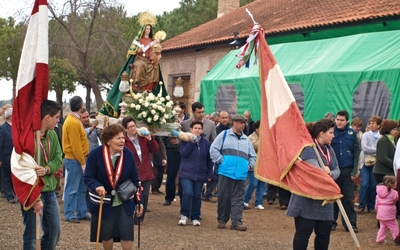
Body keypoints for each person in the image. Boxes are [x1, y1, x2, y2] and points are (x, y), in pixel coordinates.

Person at [83, 124, 143, 250]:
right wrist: (97, 186)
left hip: (125, 200)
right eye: (118, 138)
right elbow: (88, 177)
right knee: (106, 233)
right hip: (104, 200)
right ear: (108, 140)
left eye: (123, 138)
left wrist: (139, 201)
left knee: (127, 234)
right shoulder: (95, 154)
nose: (122, 141)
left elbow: (135, 180)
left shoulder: (128, 154)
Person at [287, 118, 340, 250]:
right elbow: (314, 172)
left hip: (324, 199)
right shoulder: (308, 148)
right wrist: (325, 173)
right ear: (322, 133)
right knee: (303, 233)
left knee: (324, 234)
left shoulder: (329, 149)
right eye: (331, 132)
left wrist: (331, 173)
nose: (333, 135)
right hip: (306, 199)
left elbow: (337, 169)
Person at [210, 114, 257, 231]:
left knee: (239, 199)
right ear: (234, 123)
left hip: (241, 174)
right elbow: (213, 149)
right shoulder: (224, 135)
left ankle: (236, 222)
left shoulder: (246, 140)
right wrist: (221, 161)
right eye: (241, 123)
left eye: (244, 123)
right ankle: (222, 220)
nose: (243, 125)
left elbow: (253, 156)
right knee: (224, 197)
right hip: (226, 172)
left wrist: (250, 165)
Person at [122, 116, 159, 223]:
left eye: (134, 126)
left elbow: (155, 149)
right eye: (130, 127)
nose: (133, 128)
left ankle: (139, 218)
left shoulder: (142, 137)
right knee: (132, 194)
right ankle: (129, 214)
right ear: (125, 129)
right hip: (132, 172)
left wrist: (150, 139)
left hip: (146, 170)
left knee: (145, 194)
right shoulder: (124, 141)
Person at [178, 121, 214, 226]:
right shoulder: (184, 141)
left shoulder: (206, 143)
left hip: (200, 173)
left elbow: (209, 159)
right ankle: (184, 215)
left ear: (202, 130)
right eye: (195, 128)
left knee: (197, 196)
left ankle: (195, 216)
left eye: (199, 128)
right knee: (188, 193)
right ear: (191, 129)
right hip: (186, 172)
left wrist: (209, 173)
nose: (197, 130)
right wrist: (190, 142)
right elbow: (183, 154)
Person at [330, 110, 360, 232]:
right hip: (334, 171)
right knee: (333, 198)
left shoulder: (352, 133)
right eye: (337, 119)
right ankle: (331, 223)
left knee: (348, 199)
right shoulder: (331, 132)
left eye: (342, 120)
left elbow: (357, 153)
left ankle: (350, 224)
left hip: (348, 172)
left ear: (347, 121)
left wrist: (354, 172)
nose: (339, 122)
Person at [181, 102, 217, 203]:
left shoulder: (210, 124)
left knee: (197, 192)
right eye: (198, 112)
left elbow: (213, 141)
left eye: (202, 112)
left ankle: (195, 212)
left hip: (202, 159)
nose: (201, 114)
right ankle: (184, 209)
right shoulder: (184, 124)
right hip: (187, 159)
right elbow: (181, 140)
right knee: (186, 191)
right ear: (192, 112)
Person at [62, 96, 90, 223]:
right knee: (72, 188)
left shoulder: (74, 119)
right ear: (80, 106)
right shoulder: (72, 122)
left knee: (81, 188)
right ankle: (69, 213)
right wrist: (82, 162)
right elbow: (75, 145)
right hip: (75, 159)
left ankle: (81, 211)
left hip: (79, 158)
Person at [357, 116, 381, 213]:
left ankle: (371, 206)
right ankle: (361, 205)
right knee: (364, 184)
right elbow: (364, 148)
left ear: (379, 125)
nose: (371, 125)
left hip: (375, 164)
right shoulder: (366, 135)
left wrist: (370, 149)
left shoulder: (381, 137)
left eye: (373, 123)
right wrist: (376, 150)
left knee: (373, 185)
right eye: (370, 123)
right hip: (365, 163)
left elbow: (380, 151)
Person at [129, 23, 162, 92]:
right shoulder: (140, 40)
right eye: (147, 29)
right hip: (140, 58)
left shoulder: (152, 40)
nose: (148, 30)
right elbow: (136, 51)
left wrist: (157, 44)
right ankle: (136, 84)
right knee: (140, 65)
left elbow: (156, 50)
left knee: (154, 67)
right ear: (143, 30)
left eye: (149, 29)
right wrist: (140, 49)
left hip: (149, 59)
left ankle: (148, 87)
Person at [243, 120, 267, 210]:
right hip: (253, 165)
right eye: (262, 128)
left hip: (263, 164)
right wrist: (264, 138)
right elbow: (256, 146)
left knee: (262, 184)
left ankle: (258, 202)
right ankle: (245, 200)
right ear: (256, 129)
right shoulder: (251, 137)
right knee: (253, 183)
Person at [372, 119, 398, 184]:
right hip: (382, 172)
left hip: (390, 172)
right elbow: (383, 158)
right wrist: (395, 165)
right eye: (394, 129)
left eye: (397, 129)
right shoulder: (383, 141)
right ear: (388, 129)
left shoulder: (395, 140)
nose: (396, 131)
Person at [375, 175, 398, 245]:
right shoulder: (394, 193)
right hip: (389, 213)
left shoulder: (378, 194)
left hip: (380, 213)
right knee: (394, 226)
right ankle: (397, 239)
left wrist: (377, 211)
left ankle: (379, 239)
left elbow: (376, 204)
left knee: (383, 227)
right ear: (393, 184)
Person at [0, 107, 17, 203]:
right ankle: (9, 196)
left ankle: (15, 193)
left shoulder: (15, 127)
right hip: (6, 156)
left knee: (13, 176)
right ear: (10, 116)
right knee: (6, 177)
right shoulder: (2, 128)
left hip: (15, 156)